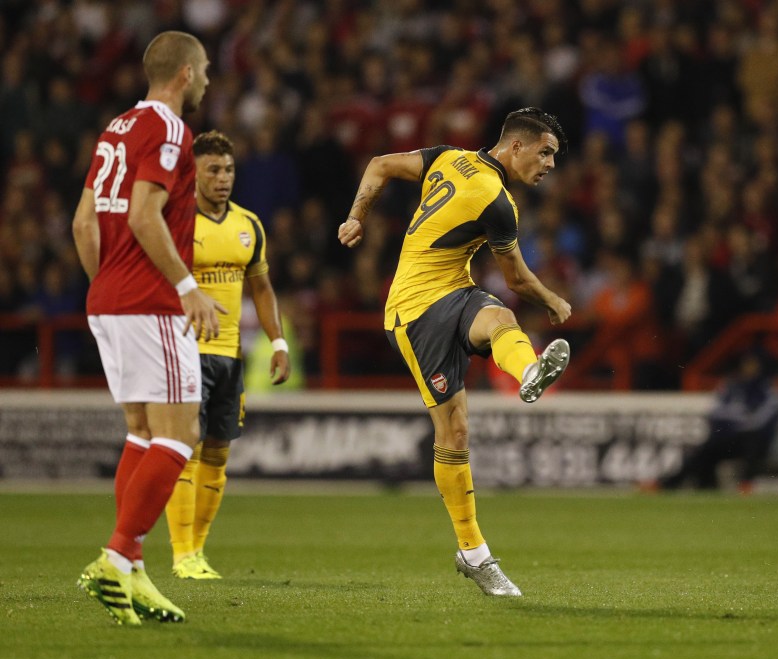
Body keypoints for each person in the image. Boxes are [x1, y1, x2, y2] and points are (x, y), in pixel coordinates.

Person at [338, 107, 573, 597]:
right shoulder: (497, 202)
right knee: (453, 429)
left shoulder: (448, 158)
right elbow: (517, 279)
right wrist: (553, 301)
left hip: (454, 293)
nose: (550, 164)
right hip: (412, 313)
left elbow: (379, 164)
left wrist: (355, 216)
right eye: (545, 152)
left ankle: (529, 371)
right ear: (516, 147)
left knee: (500, 322)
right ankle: (473, 551)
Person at [71, 31, 222, 626]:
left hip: (108, 298)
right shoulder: (167, 129)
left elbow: (85, 224)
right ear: (185, 73)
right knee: (181, 437)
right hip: (150, 303)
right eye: (205, 70)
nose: (208, 80)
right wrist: (186, 288)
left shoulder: (116, 128)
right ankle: (115, 556)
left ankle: (131, 570)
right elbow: (142, 213)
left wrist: (107, 287)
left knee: (141, 434)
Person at [164, 130, 290, 580]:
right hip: (184, 348)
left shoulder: (248, 225)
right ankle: (182, 554)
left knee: (217, 451)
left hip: (231, 354)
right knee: (186, 447)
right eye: (213, 169)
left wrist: (278, 342)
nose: (223, 178)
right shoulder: (175, 222)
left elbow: (261, 287)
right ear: (193, 174)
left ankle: (197, 552)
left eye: (229, 169)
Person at [658, 351, 778, 493]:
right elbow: (715, 412)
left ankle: (746, 487)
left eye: (753, 364)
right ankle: (671, 485)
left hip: (755, 441)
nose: (749, 368)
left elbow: (760, 422)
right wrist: (740, 417)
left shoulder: (770, 392)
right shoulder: (731, 386)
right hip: (731, 437)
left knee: (752, 443)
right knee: (705, 449)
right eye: (747, 364)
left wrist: (735, 419)